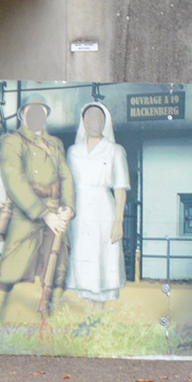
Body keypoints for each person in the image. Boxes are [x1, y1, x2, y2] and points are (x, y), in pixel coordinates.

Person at [0, 95, 74, 326]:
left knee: (59, 268)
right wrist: (44, 214)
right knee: (11, 267)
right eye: (31, 111)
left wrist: (68, 208)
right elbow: (14, 179)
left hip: (56, 211)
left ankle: (53, 320)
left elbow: (66, 176)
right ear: (22, 114)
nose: (37, 115)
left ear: (46, 115)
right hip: (27, 212)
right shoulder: (13, 141)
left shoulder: (55, 143)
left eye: (41, 111)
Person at [66, 101, 129, 306]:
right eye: (90, 118)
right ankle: (88, 315)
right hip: (79, 213)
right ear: (83, 122)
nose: (94, 122)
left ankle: (98, 317)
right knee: (83, 260)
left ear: (106, 122)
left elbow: (120, 188)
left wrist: (118, 221)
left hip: (104, 211)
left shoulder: (115, 150)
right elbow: (67, 185)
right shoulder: (73, 152)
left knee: (102, 260)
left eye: (99, 118)